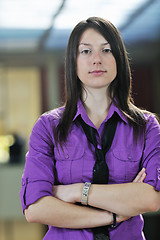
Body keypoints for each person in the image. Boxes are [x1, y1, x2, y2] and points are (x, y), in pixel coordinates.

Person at [20, 17, 160, 240]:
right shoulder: (48, 127)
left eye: (106, 50)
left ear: (119, 60)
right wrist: (112, 216)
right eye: (85, 51)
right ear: (72, 61)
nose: (97, 60)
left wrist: (76, 192)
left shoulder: (146, 126)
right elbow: (36, 208)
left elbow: (151, 199)